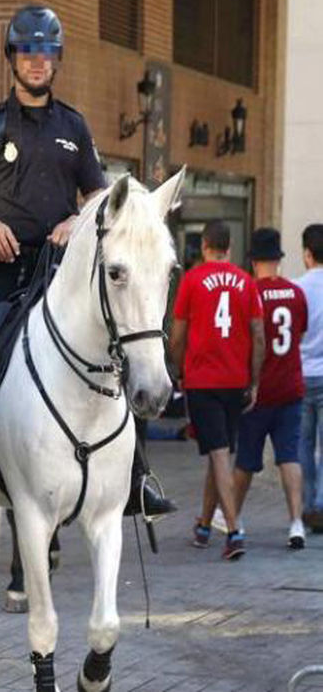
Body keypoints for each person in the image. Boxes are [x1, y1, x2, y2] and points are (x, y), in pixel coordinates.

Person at [0, 4, 175, 520]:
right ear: (12, 58)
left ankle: (137, 477)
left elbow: (100, 200)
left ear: (57, 59)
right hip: (4, 268)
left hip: (60, 271)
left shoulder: (74, 125)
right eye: (27, 51)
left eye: (46, 51)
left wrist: (76, 221)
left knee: (120, 349)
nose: (36, 60)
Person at [171, 220, 265, 560]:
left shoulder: (192, 280)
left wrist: (179, 371)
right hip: (235, 380)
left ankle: (234, 531)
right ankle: (204, 525)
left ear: (204, 246)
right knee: (219, 451)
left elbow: (177, 335)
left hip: (202, 380)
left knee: (219, 453)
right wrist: (254, 380)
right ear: (229, 247)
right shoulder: (246, 282)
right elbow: (258, 335)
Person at [233, 228, 308, 549]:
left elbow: (245, 340)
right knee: (289, 457)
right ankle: (296, 523)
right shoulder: (296, 293)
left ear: (253, 261)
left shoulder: (249, 293)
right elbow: (299, 334)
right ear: (279, 259)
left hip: (258, 391)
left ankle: (234, 519)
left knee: (245, 461)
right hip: (291, 388)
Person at [297, 223, 323, 532]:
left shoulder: (297, 288)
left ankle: (307, 505)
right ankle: (321, 503)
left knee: (303, 444)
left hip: (302, 375)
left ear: (307, 254)